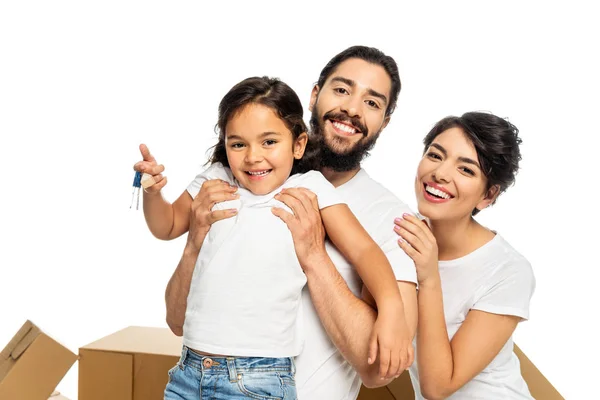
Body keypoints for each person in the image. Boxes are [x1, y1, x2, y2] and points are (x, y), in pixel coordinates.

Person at [140, 46, 419, 399]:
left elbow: (364, 250)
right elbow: (166, 227)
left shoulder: (313, 191)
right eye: (238, 144)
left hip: (259, 377)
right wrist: (153, 193)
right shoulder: (218, 179)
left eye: (372, 101)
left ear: (297, 143)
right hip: (191, 368)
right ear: (315, 94)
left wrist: (392, 310)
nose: (253, 156)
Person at [394, 112, 536, 399]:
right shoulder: (401, 238)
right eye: (435, 155)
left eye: (466, 170)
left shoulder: (509, 270)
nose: (441, 174)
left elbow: (437, 387)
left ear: (488, 196)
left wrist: (430, 276)